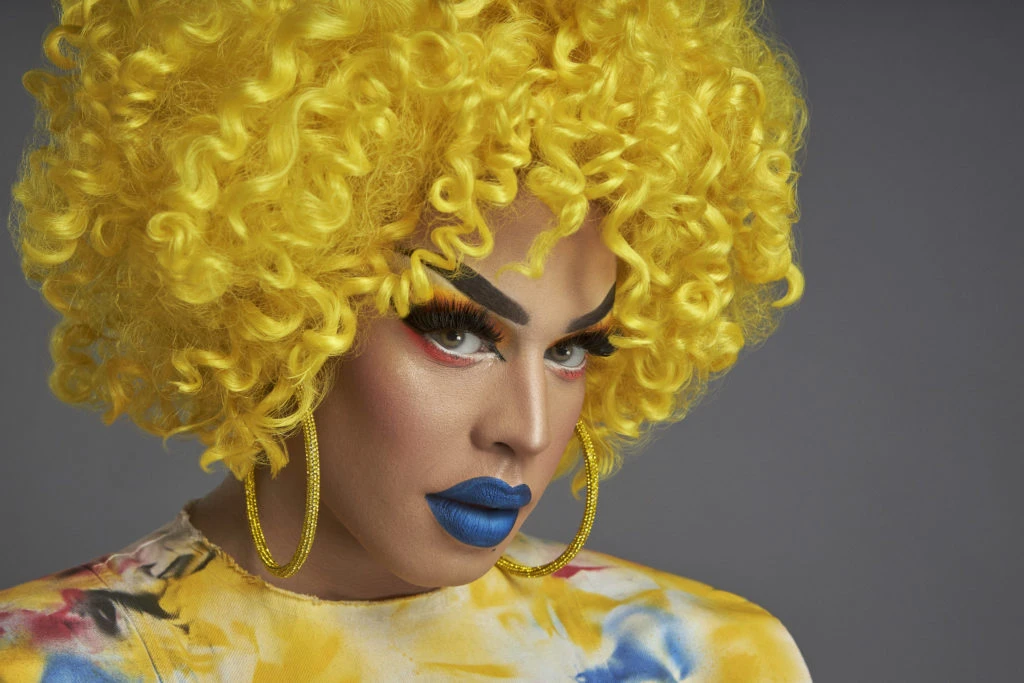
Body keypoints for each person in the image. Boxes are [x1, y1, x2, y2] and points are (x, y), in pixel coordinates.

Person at [0, 0, 810, 679]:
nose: (528, 429)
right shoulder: (50, 662)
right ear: (283, 307)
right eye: (457, 330)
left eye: (571, 350)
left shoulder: (709, 661)